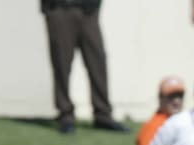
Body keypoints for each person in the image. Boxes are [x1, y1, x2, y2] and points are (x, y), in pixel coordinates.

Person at [41, 0, 130, 134]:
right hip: (60, 8)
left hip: (88, 10)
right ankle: (66, 115)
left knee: (97, 62)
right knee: (62, 64)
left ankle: (103, 115)